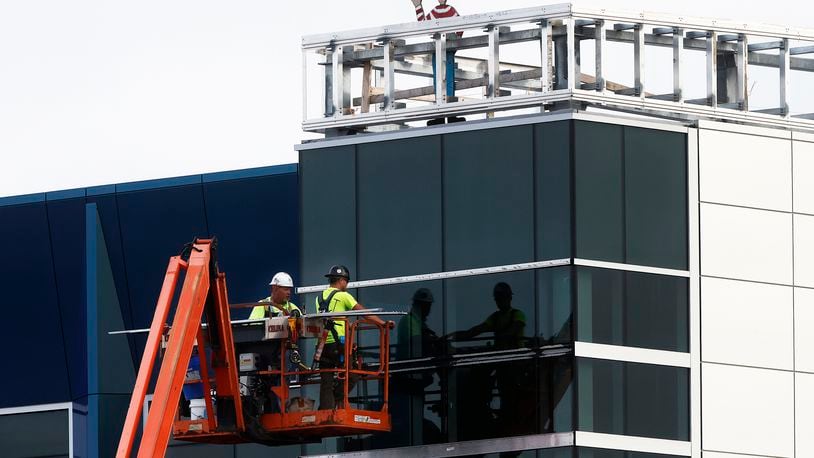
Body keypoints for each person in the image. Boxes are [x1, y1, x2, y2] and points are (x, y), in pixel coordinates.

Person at [315, 265, 385, 410]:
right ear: (341, 280)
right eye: (346, 281)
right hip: (339, 344)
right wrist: (382, 323)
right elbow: (364, 312)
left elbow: (332, 316)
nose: (346, 285)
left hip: (323, 345)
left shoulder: (319, 298)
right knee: (353, 374)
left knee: (326, 381)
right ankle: (337, 397)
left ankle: (325, 411)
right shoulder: (343, 295)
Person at [412, 0, 466, 125]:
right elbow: (425, 26)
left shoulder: (450, 10)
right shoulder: (438, 11)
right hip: (441, 48)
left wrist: (453, 38)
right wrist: (418, 6)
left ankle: (450, 114)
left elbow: (460, 27)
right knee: (440, 80)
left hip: (444, 48)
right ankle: (442, 114)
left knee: (447, 79)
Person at [396, 287, 441, 360]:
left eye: (428, 305)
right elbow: (417, 341)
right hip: (409, 366)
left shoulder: (420, 323)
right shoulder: (409, 320)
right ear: (416, 305)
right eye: (424, 305)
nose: (427, 309)